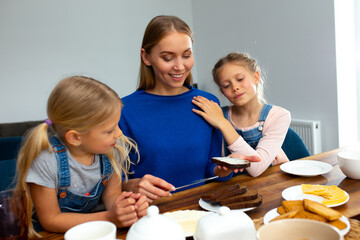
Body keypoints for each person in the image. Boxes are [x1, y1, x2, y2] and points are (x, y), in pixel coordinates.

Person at [119, 15, 260, 203]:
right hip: (152, 216)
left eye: (187, 55)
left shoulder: (207, 103)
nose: (180, 66)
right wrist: (131, 185)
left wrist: (222, 169)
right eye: (168, 58)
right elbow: (110, 183)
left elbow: (212, 169)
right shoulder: (124, 110)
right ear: (146, 57)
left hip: (203, 210)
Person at [14, 76, 148, 238]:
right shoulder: (46, 161)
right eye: (110, 130)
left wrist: (126, 208)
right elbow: (50, 219)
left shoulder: (112, 151)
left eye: (116, 126)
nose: (119, 134)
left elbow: (111, 196)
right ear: (75, 138)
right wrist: (109, 217)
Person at [192, 52, 291, 177]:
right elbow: (215, 167)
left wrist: (223, 124)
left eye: (240, 79)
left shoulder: (279, 116)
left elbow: (257, 168)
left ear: (256, 77)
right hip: (236, 186)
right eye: (226, 85)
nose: (235, 87)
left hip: (272, 183)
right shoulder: (218, 115)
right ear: (222, 92)